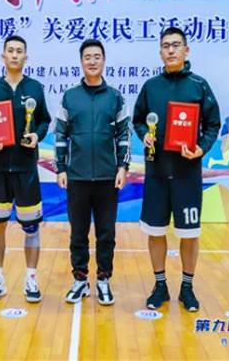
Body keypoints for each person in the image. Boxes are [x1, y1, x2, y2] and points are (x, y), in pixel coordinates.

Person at [133, 27, 220, 311]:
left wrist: (201, 148)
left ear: (186, 50)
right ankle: (160, 286)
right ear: (160, 52)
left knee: (189, 233)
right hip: (157, 172)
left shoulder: (199, 85)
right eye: (166, 46)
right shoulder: (151, 86)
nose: (171, 50)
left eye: (176, 45)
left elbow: (213, 124)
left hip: (187, 174)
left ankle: (187, 287)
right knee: (156, 231)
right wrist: (144, 135)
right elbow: (138, 120)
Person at [55, 39, 130, 305]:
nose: (92, 61)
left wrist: (122, 167)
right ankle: (80, 280)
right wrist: (61, 168)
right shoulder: (70, 96)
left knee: (106, 233)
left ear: (104, 60)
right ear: (81, 61)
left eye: (97, 56)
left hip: (108, 177)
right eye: (87, 57)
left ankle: (103, 280)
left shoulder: (115, 97)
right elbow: (61, 134)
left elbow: (124, 134)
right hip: (76, 177)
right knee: (78, 232)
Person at [0, 35, 51, 303]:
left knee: (31, 227)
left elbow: (44, 120)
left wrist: (37, 136)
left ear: (25, 57)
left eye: (19, 51)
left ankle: (31, 278)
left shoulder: (35, 88)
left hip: (26, 169)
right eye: (10, 50)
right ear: (3, 56)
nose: (15, 55)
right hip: (0, 168)